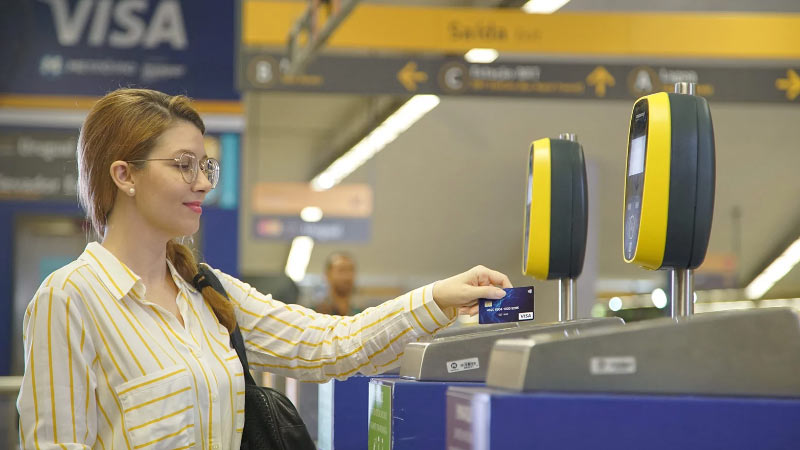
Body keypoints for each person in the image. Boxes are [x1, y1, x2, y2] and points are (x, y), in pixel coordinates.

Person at [16, 88, 512, 449]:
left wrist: (438, 297)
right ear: (124, 175)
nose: (202, 183)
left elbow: (331, 345)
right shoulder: (70, 299)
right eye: (183, 165)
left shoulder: (206, 292)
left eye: (206, 166)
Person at [316, 251, 358, 316]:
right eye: (341, 270)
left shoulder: (361, 314)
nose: (347, 277)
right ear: (327, 275)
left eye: (350, 270)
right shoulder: (315, 314)